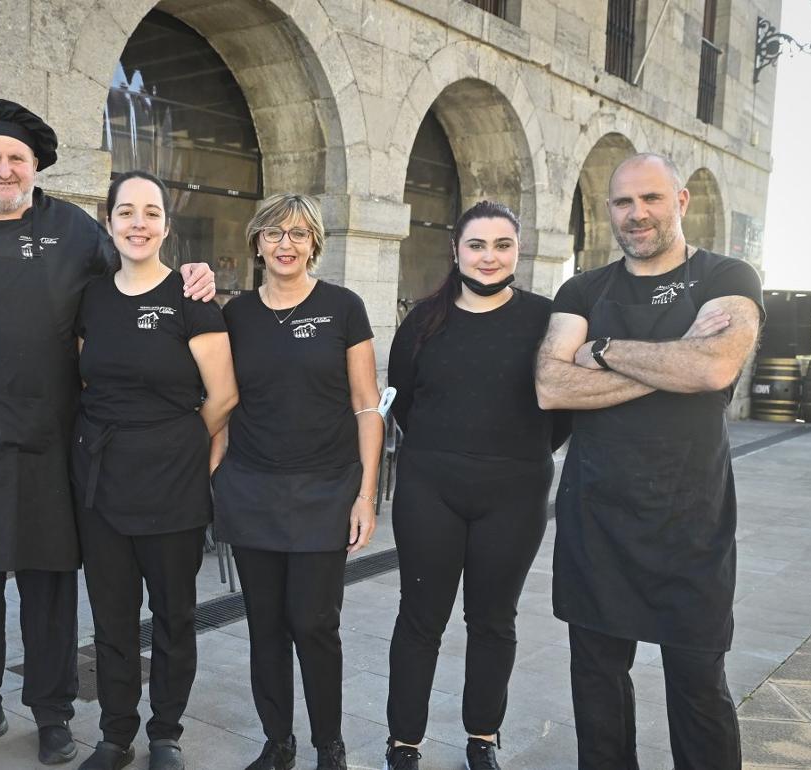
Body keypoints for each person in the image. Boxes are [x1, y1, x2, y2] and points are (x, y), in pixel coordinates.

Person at [0, 99, 216, 764]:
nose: (5, 168)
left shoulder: (75, 232)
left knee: (49, 590)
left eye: (17, 158)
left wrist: (196, 273)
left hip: (53, 443)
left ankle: (52, 714)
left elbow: (139, 279)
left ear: (35, 166)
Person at [535, 153, 763, 770]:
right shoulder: (583, 288)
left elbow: (715, 366)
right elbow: (552, 387)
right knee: (599, 691)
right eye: (623, 202)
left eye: (651, 199)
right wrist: (672, 365)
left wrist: (602, 350)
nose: (637, 214)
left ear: (681, 202)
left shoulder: (728, 276)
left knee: (699, 688)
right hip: (596, 522)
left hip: (690, 524)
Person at [382, 201, 569, 770]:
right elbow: (404, 400)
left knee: (492, 619)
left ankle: (482, 736)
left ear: (518, 250)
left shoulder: (546, 318)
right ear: (456, 250)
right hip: (430, 487)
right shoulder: (423, 320)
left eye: (503, 245)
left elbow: (561, 408)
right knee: (421, 616)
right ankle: (404, 741)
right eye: (477, 245)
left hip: (514, 492)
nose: (490, 257)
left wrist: (522, 452)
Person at [69, 170, 238, 770]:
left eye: (150, 213)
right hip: (102, 482)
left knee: (173, 616)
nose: (138, 223)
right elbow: (87, 380)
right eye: (125, 212)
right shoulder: (90, 297)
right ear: (110, 222)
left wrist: (184, 445)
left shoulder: (192, 299)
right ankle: (116, 734)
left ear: (167, 225)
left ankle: (165, 732)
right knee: (112, 620)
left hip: (172, 481)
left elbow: (223, 395)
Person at [212, 193, 383, 770]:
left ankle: (328, 744)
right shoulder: (234, 315)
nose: (286, 244)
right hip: (252, 487)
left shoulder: (343, 307)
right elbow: (223, 399)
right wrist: (216, 474)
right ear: (256, 242)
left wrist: (365, 495)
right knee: (264, 623)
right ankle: (278, 742)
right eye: (274, 233)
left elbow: (366, 407)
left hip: (326, 488)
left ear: (315, 244)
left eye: (299, 234)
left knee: (314, 623)